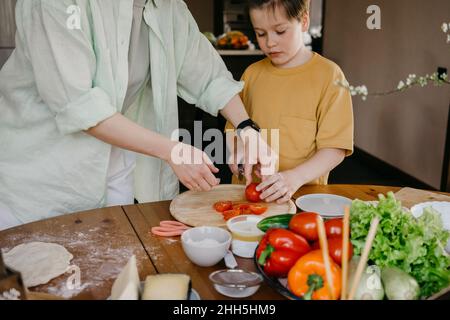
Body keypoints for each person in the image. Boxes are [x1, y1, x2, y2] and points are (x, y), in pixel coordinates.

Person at [0, 0, 275, 230]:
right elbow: (79, 104)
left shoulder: (168, 7)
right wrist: (172, 151)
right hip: (41, 169)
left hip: (116, 160)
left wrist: (247, 128)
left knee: (115, 267)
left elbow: (208, 76)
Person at [226, 0, 354, 204]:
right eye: (261, 33)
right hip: (248, 197)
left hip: (302, 196)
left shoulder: (330, 76)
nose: (270, 42)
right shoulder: (250, 74)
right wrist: (239, 153)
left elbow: (335, 149)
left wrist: (294, 177)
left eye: (280, 31)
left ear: (303, 22)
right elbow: (234, 131)